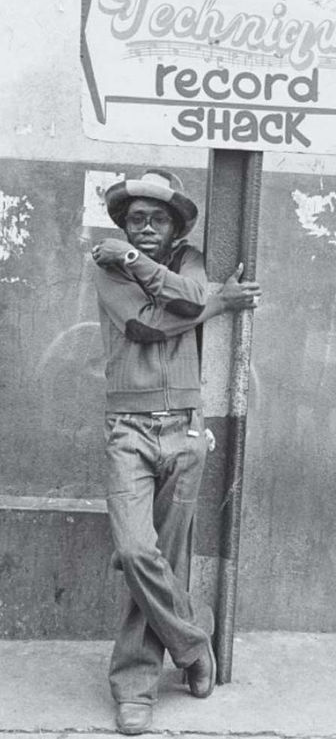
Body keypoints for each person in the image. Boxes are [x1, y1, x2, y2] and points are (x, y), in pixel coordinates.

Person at [92, 169, 261, 734]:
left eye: (156, 220)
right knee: (139, 553)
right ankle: (194, 640)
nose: (144, 229)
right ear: (123, 223)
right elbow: (143, 326)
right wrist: (218, 304)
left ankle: (135, 685)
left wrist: (196, 295)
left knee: (170, 554)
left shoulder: (187, 260)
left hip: (186, 426)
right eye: (135, 219)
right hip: (129, 429)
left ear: (173, 227)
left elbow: (188, 296)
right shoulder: (107, 265)